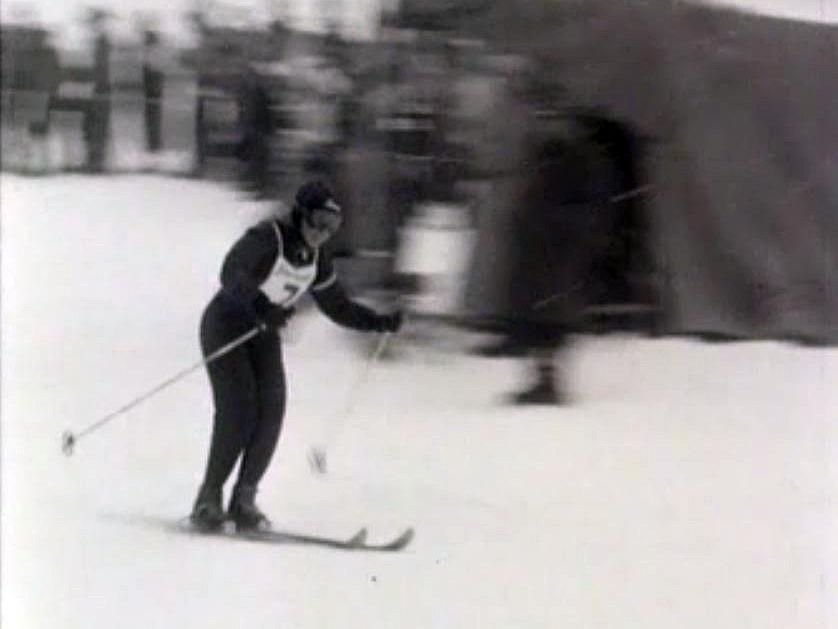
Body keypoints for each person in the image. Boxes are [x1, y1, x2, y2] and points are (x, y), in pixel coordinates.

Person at [191, 181, 403, 532]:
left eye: (332, 226)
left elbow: (337, 306)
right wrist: (261, 306)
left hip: (263, 332)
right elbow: (231, 272)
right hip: (227, 326)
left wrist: (377, 322)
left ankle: (244, 499)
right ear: (301, 214)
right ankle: (208, 498)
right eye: (319, 221)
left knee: (272, 409)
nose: (323, 232)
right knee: (239, 409)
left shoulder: (317, 259)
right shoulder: (268, 237)